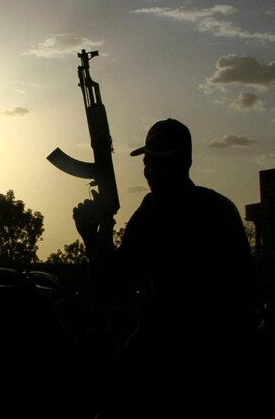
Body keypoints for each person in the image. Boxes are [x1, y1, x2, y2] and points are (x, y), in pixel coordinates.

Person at [73, 118, 257, 417]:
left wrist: (97, 232)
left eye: (158, 162)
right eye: (148, 162)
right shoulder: (219, 207)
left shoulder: (155, 211)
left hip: (176, 343)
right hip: (219, 348)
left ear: (182, 162)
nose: (149, 170)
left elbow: (113, 284)